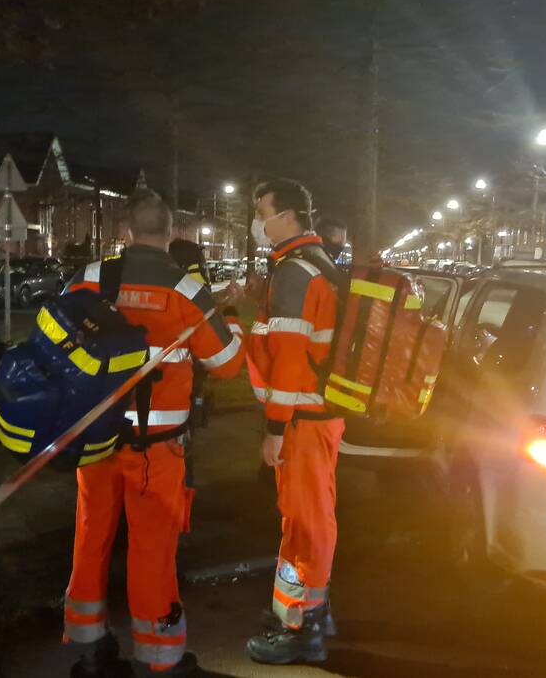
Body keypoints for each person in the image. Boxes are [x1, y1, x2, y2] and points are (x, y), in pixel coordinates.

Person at [63, 191, 244, 677]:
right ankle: (160, 657)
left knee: (90, 535)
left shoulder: (90, 278)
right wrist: (230, 320)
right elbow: (226, 365)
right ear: (169, 236)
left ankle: (89, 646)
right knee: (151, 545)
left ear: (123, 233)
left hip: (94, 436)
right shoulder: (185, 289)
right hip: (155, 447)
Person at [244, 179, 344, 665]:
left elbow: (288, 362)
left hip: (302, 418)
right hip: (313, 416)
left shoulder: (295, 273)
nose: (257, 221)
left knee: (307, 523)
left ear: (287, 217)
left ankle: (306, 628)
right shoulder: (309, 266)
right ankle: (297, 613)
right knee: (303, 517)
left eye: (262, 211)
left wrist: (275, 429)